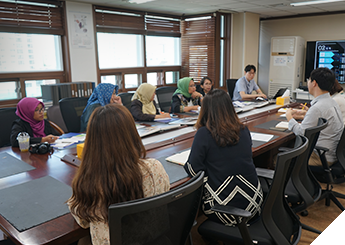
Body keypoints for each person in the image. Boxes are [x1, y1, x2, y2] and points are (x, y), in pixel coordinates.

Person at [68, 104, 170, 245]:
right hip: (152, 238)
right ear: (132, 134)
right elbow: (164, 194)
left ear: (92, 142)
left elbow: (82, 221)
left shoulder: (88, 182)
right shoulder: (154, 168)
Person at [183, 89, 263, 226]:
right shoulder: (243, 130)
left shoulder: (204, 134)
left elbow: (192, 168)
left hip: (225, 210)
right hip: (254, 204)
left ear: (206, 110)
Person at [286, 68, 344, 166]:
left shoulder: (318, 108)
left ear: (314, 83)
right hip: (333, 154)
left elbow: (301, 133)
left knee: (278, 159)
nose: (308, 82)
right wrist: (307, 113)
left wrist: (289, 117)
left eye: (309, 80)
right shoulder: (332, 102)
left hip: (321, 157)